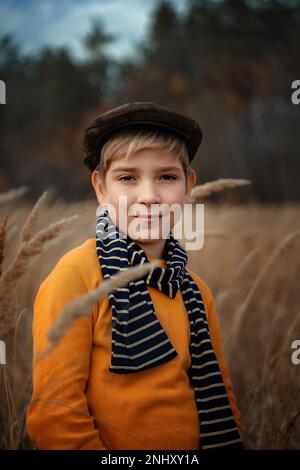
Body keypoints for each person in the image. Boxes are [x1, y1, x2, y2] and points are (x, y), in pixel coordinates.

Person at [26, 101, 243, 450]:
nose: (149, 197)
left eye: (167, 177)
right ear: (101, 188)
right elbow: (54, 413)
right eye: (128, 178)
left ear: (188, 187)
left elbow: (222, 396)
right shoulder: (78, 276)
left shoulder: (193, 290)